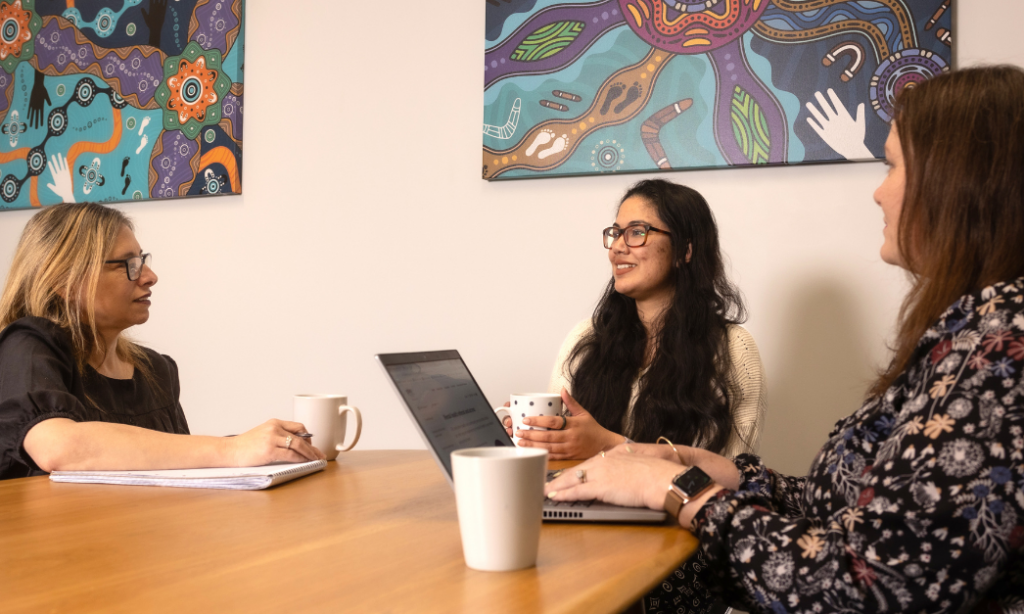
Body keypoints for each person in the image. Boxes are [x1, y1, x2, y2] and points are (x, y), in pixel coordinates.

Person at [546, 65, 1024, 612]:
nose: (877, 191)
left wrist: (673, 488)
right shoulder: (968, 334)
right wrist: (654, 461)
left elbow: (874, 587)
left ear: (961, 182)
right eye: (616, 233)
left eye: (892, 165)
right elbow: (835, 505)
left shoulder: (998, 354)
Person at [0, 203, 325, 480]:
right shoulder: (28, 346)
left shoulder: (155, 369)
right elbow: (58, 447)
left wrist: (267, 450)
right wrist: (233, 449)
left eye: (143, 260)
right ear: (65, 281)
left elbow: (176, 469)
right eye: (129, 264)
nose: (149, 276)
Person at [506, 179, 767, 462]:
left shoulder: (733, 349)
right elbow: (557, 459)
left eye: (637, 232)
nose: (617, 247)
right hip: (579, 501)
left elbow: (730, 478)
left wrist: (609, 444)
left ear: (685, 251)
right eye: (616, 233)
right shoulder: (584, 339)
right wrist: (537, 436)